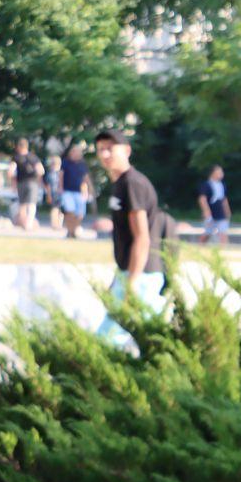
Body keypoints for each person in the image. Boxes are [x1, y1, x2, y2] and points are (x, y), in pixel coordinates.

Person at [92, 129, 167, 341]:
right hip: (131, 273)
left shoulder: (132, 183)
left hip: (142, 275)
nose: (105, 154)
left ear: (126, 150)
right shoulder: (121, 184)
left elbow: (142, 237)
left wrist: (132, 282)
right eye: (100, 150)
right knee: (146, 340)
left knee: (107, 341)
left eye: (110, 149)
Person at [58, 145, 89, 239]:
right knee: (69, 210)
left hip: (79, 192)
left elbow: (85, 179)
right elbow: (61, 175)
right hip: (67, 191)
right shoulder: (66, 163)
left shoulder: (82, 164)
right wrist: (60, 187)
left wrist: (87, 191)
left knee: (80, 213)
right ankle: (70, 231)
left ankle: (74, 229)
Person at [12, 138, 42, 230]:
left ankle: (23, 223)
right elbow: (41, 170)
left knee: (22, 204)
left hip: (21, 182)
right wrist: (38, 181)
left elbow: (10, 172)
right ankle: (29, 224)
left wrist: (13, 184)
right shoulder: (33, 157)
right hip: (33, 182)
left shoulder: (16, 158)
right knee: (32, 204)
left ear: (19, 147)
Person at [197, 165, 231, 244]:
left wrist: (227, 210)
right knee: (208, 232)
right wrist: (206, 211)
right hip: (211, 210)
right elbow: (202, 199)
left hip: (220, 211)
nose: (221, 174)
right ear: (212, 173)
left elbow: (224, 199)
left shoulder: (222, 185)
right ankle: (200, 246)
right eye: (219, 172)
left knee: (223, 231)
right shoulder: (206, 184)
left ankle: (223, 250)